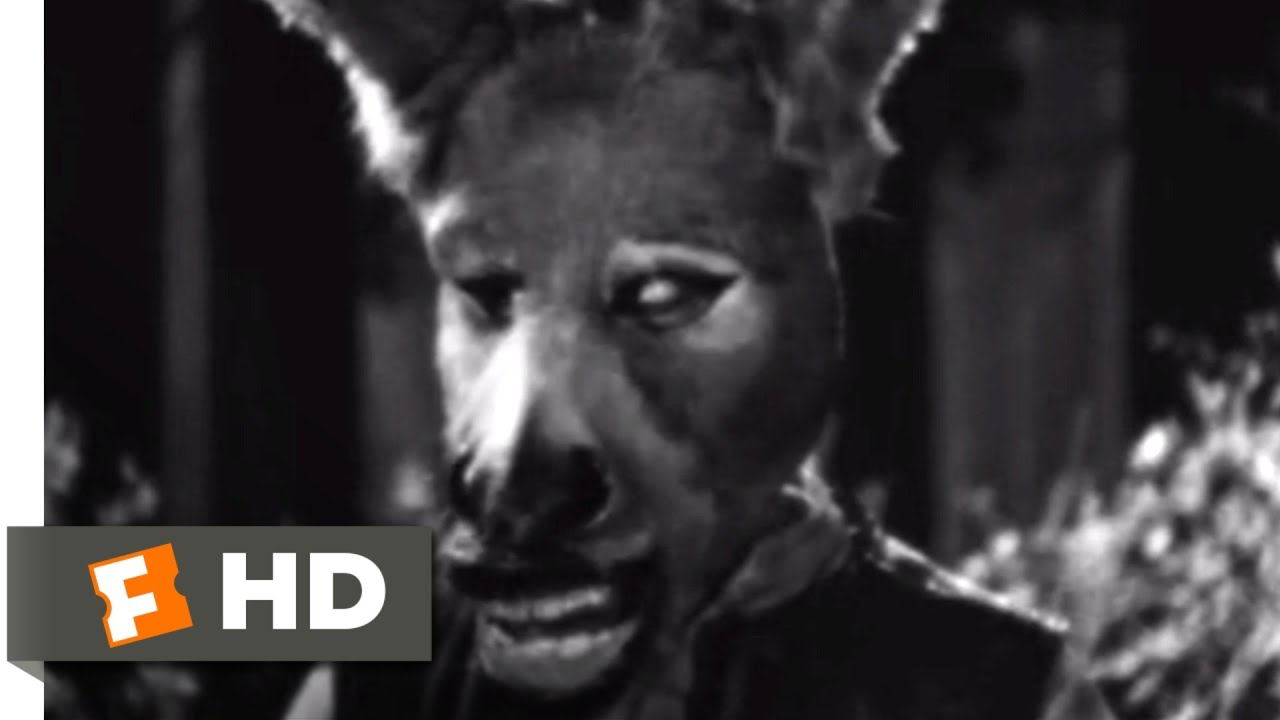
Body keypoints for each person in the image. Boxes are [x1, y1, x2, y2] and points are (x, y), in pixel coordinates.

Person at [259, 1, 1113, 717]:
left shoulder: (995, 687)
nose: (518, 473)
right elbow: (183, 600)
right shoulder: (377, 644)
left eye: (664, 296)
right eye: (487, 295)